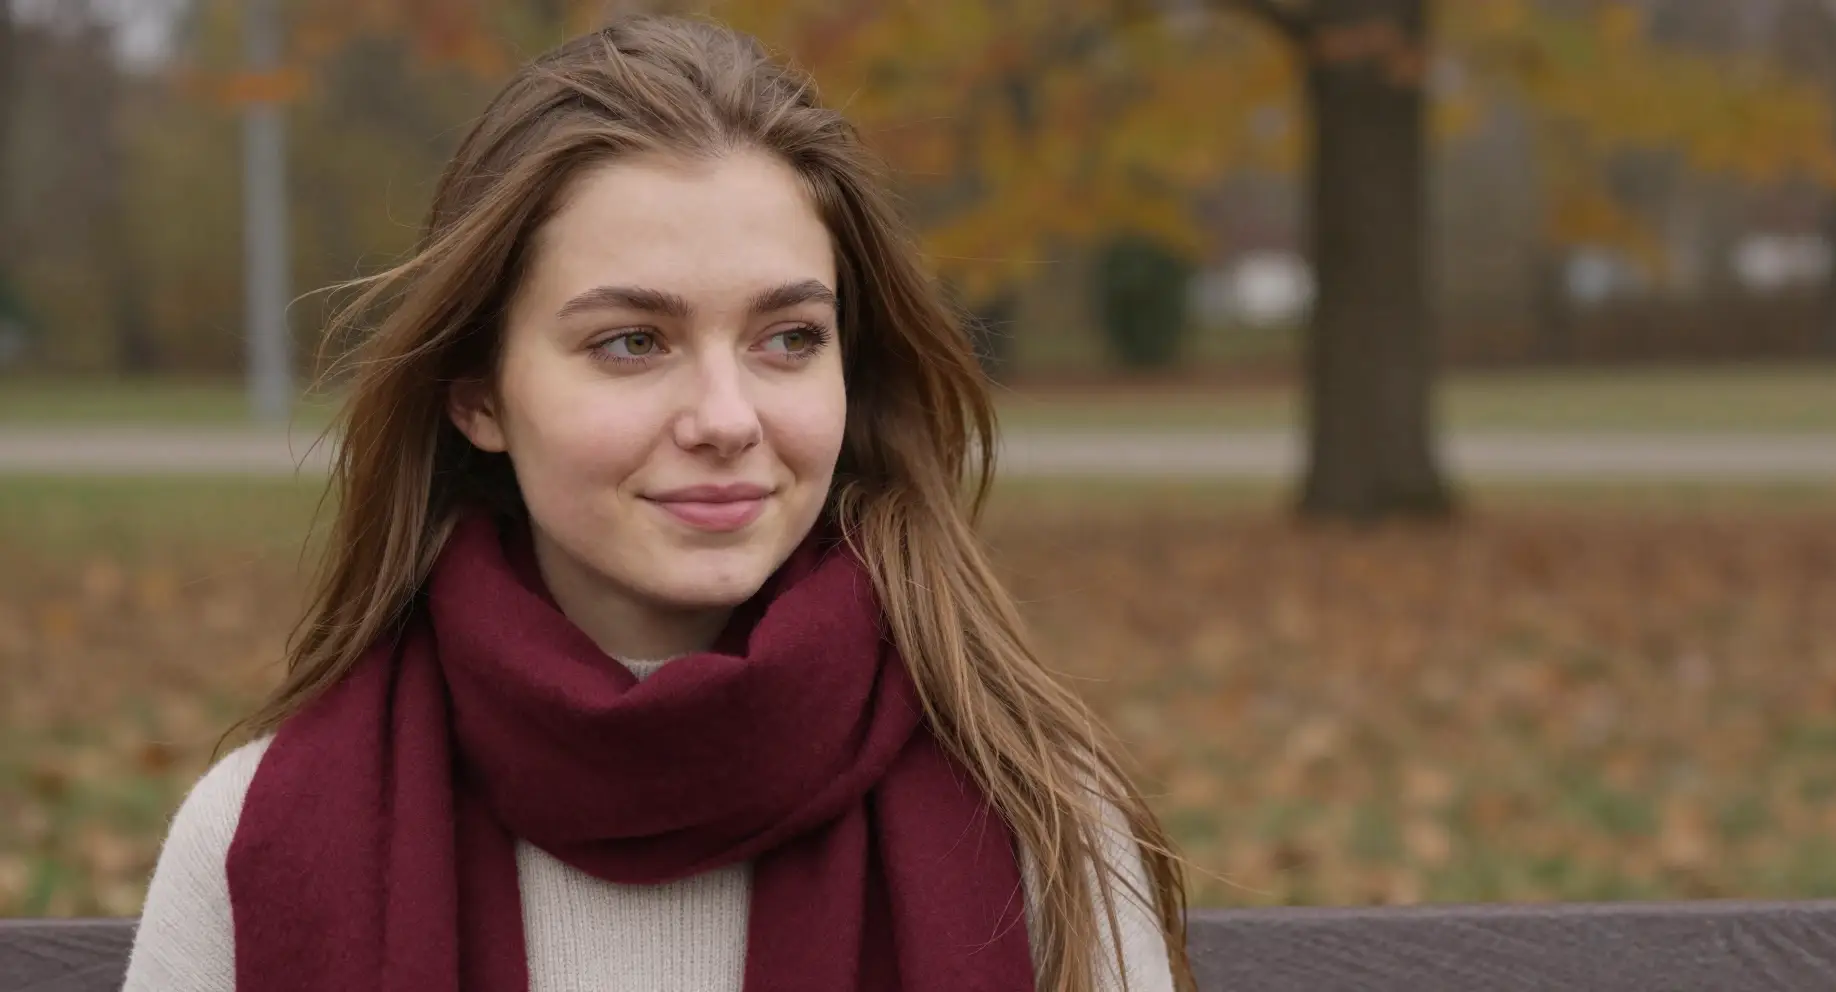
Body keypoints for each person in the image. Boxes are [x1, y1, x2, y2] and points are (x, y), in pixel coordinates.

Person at [120, 13, 1195, 992]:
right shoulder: (262, 829)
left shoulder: (1034, 811)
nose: (726, 416)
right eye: (632, 341)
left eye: (788, 338)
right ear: (483, 397)